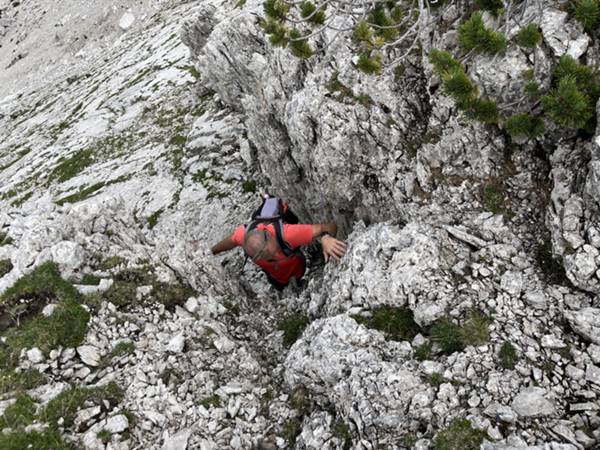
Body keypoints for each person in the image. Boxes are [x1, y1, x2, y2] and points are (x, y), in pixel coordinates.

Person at [211, 214, 347, 291]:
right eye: (266, 256)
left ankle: (298, 283)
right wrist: (211, 252)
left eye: (274, 250)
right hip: (275, 275)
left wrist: (326, 238)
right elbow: (230, 241)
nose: (275, 255)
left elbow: (329, 226)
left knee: (296, 277)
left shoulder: (289, 234)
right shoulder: (243, 236)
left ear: (269, 235)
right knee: (278, 284)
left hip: (298, 267)